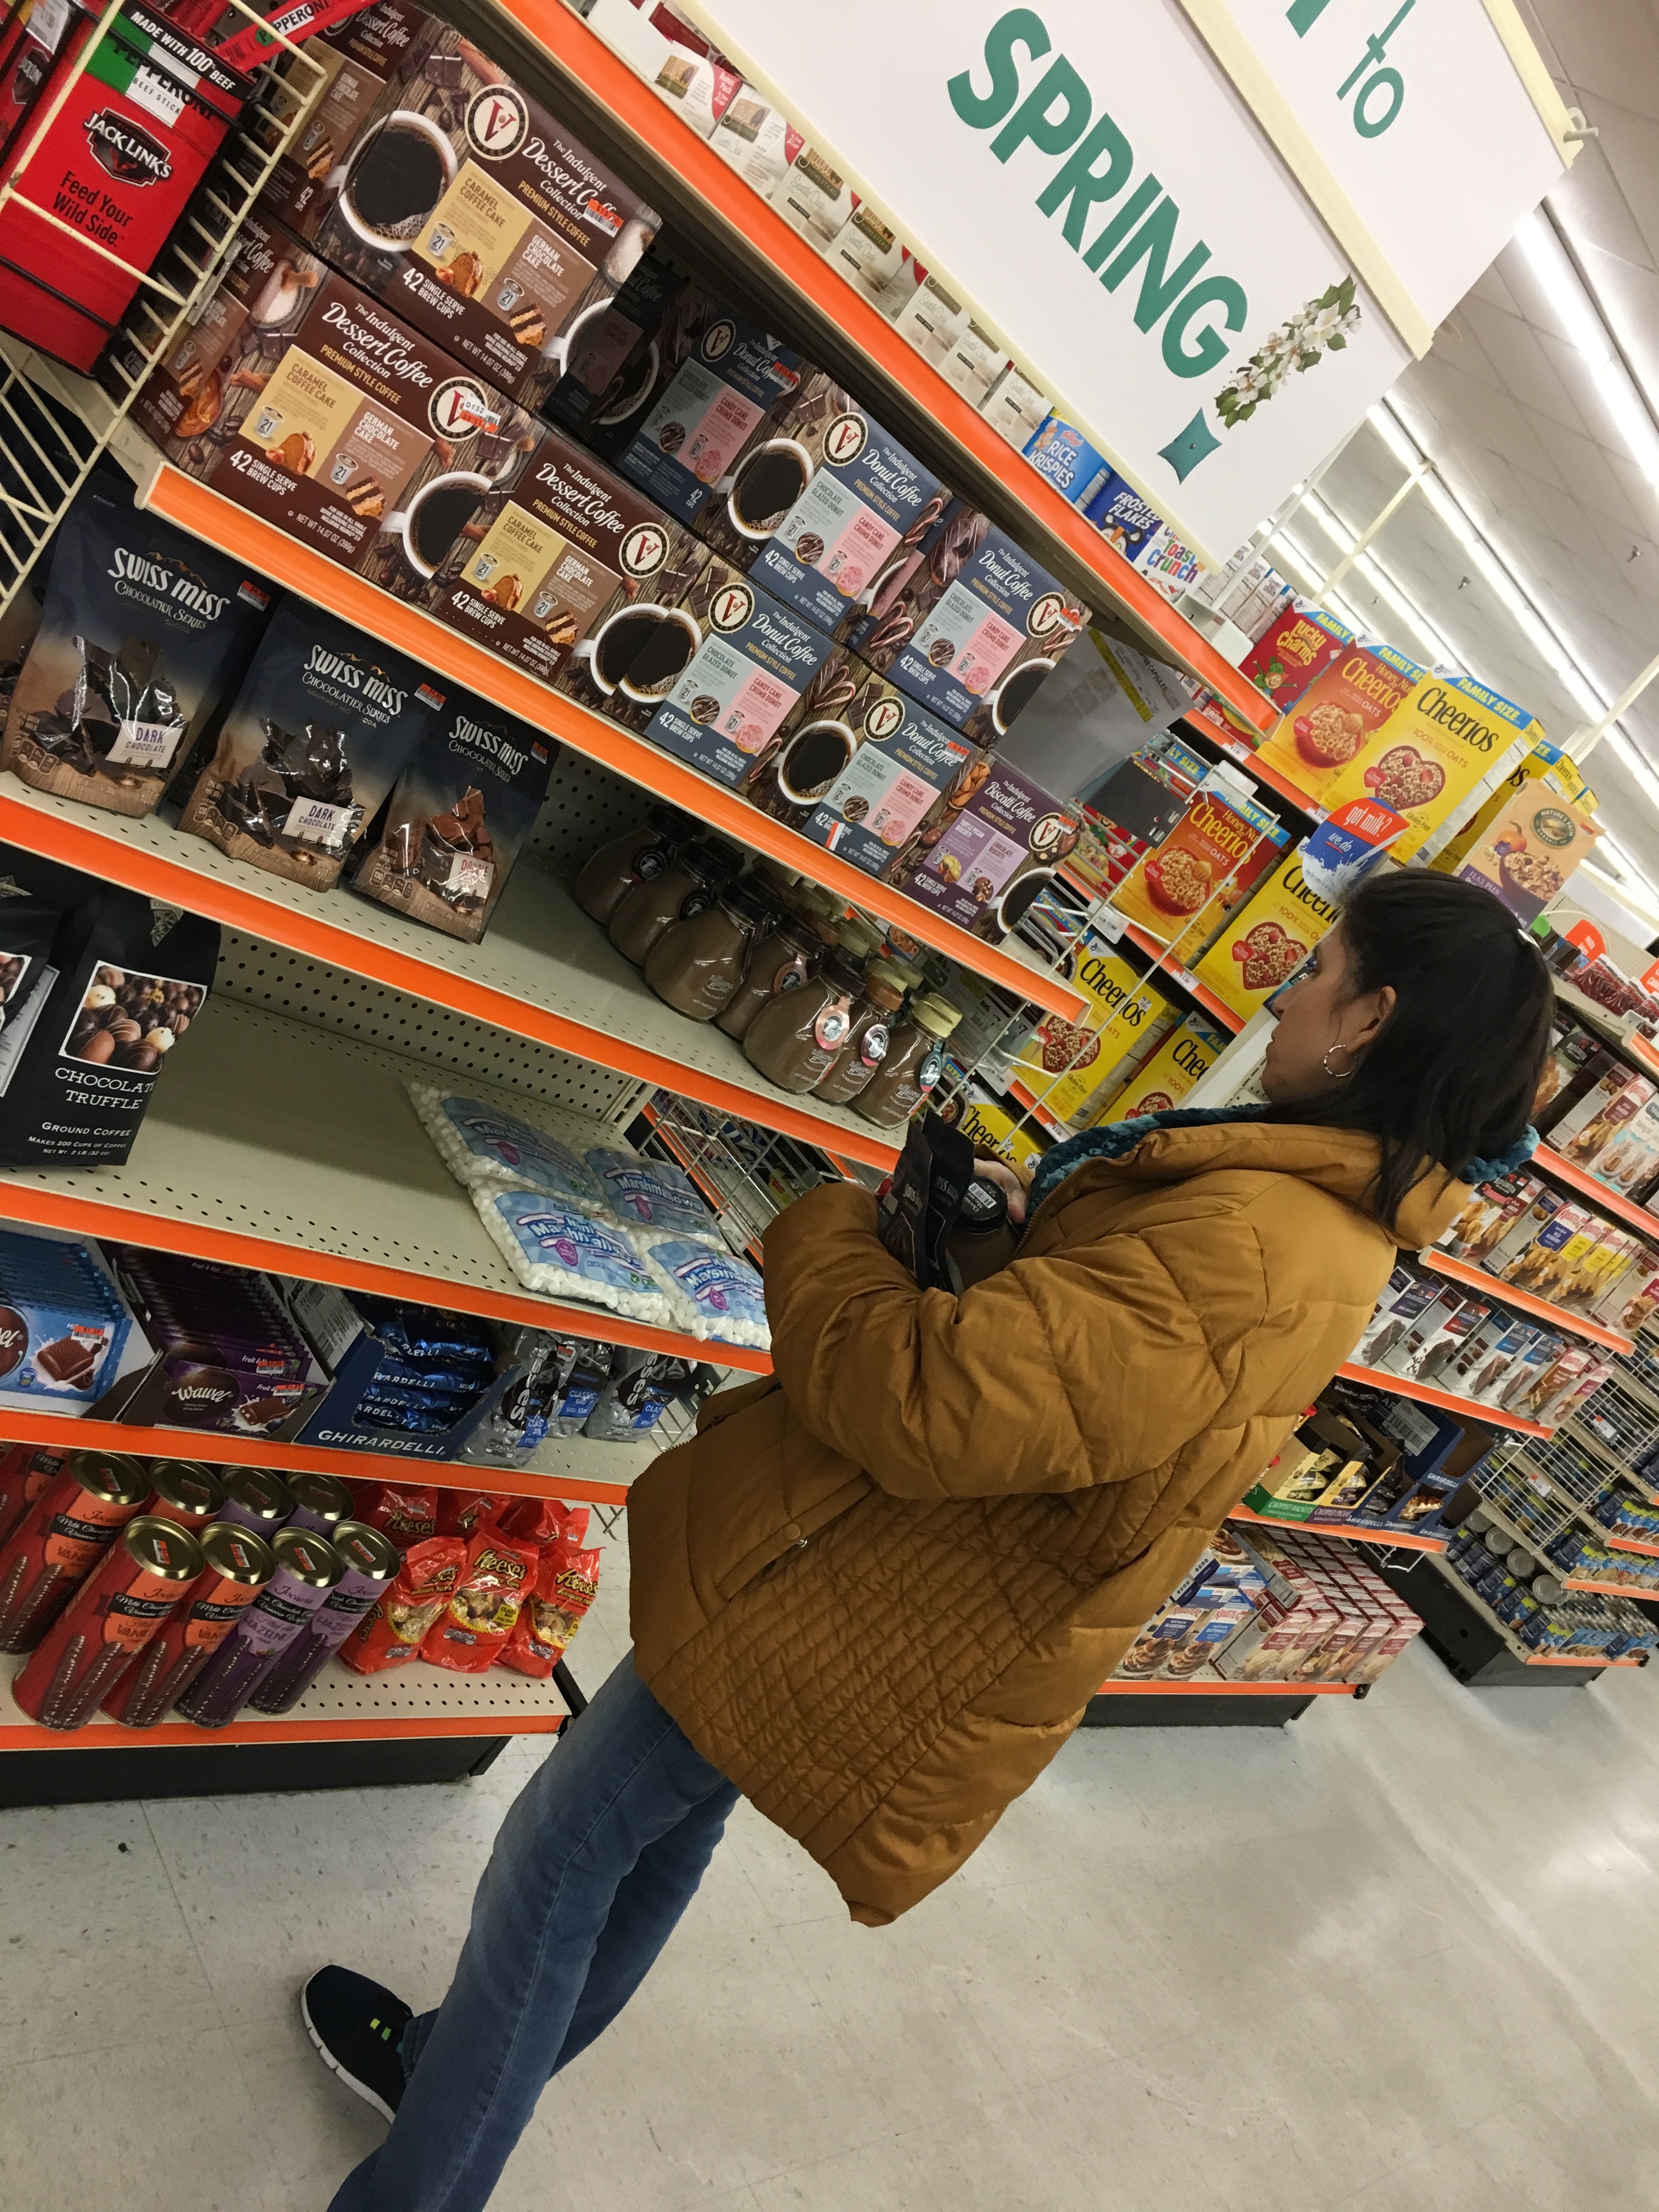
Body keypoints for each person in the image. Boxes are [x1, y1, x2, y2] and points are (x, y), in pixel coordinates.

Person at [307, 869, 1553, 2211]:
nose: (1282, 995)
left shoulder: (1261, 1238)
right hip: (886, 1574)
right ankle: (448, 2075)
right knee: (650, 1843)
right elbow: (1079, 1387)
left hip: (855, 1576)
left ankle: (422, 2182)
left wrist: (830, 1228)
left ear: (1370, 1021)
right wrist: (1018, 1242)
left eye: (1317, 973)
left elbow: (926, 1405)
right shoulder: (1297, 1207)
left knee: (557, 1855)